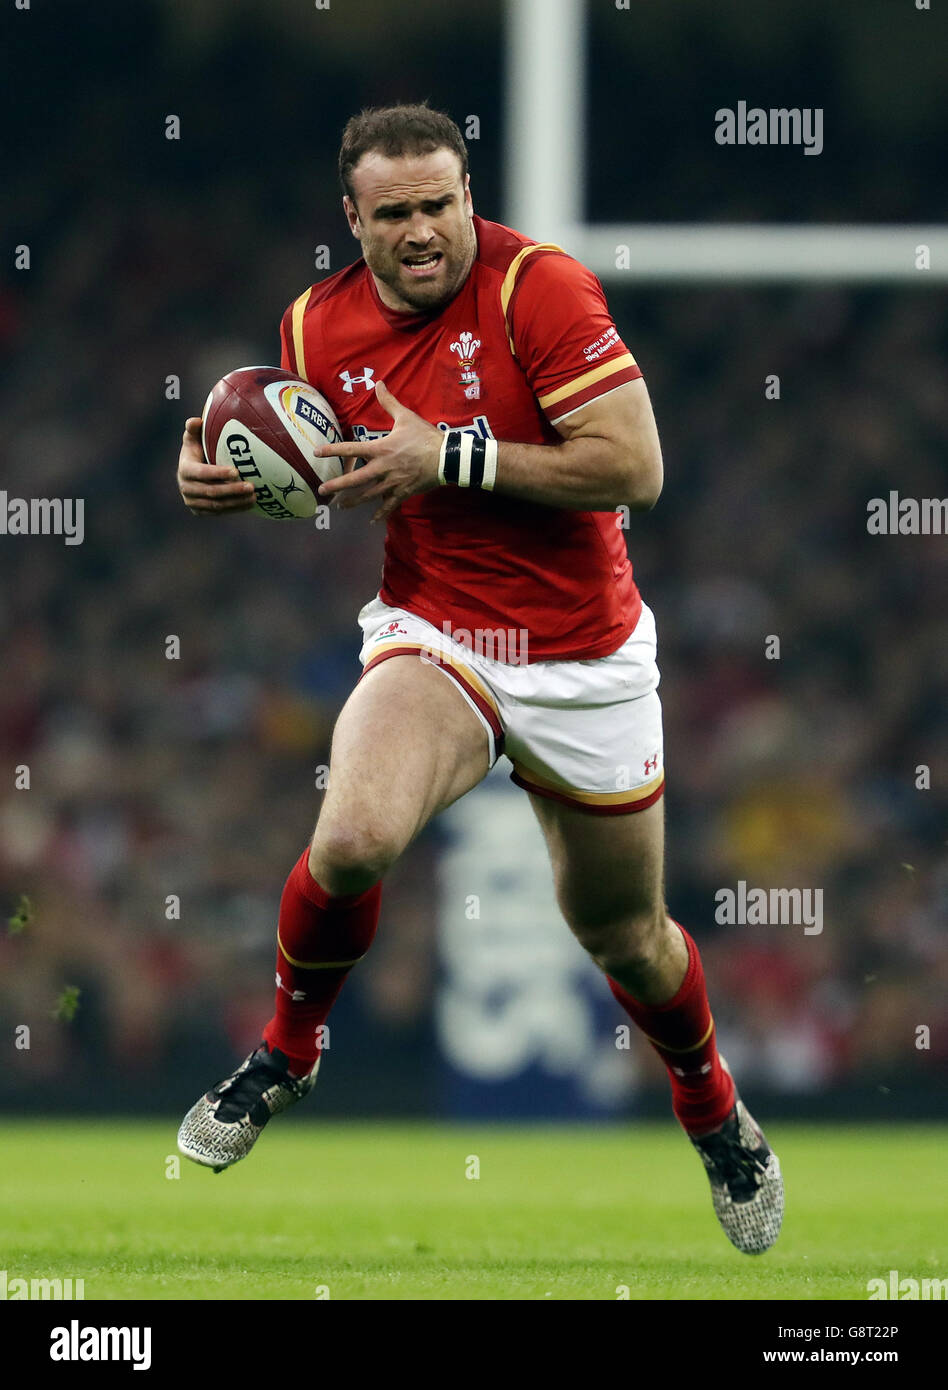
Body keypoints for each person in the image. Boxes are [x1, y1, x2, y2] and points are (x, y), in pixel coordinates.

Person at [175, 102, 782, 1255]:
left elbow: (637, 468)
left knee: (626, 937)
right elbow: (281, 435)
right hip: (438, 633)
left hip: (588, 657)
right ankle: (285, 1052)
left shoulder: (537, 288)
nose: (420, 231)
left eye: (439, 204)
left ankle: (712, 1109)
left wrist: (449, 450)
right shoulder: (316, 324)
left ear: (469, 195)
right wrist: (215, 468)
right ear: (351, 219)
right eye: (392, 212)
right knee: (352, 836)